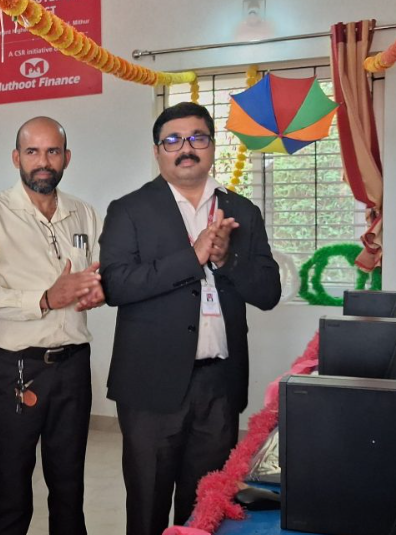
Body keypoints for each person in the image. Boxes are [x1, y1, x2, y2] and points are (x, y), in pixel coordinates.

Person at [98, 102, 281, 535]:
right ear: (157, 151)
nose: (186, 148)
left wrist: (226, 259)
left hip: (219, 384)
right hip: (150, 386)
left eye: (197, 137)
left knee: (205, 509)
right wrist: (193, 257)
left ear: (212, 147)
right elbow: (117, 286)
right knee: (147, 506)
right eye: (173, 140)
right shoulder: (129, 210)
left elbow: (268, 293)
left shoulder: (242, 211)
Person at [0, 116, 103, 535]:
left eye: (52, 151)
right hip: (16, 369)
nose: (43, 161)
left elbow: (100, 273)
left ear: (66, 158)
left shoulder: (83, 213)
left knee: (69, 489)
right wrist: (42, 299)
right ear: (16, 157)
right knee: (11, 494)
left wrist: (100, 289)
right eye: (33, 151)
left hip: (73, 367)